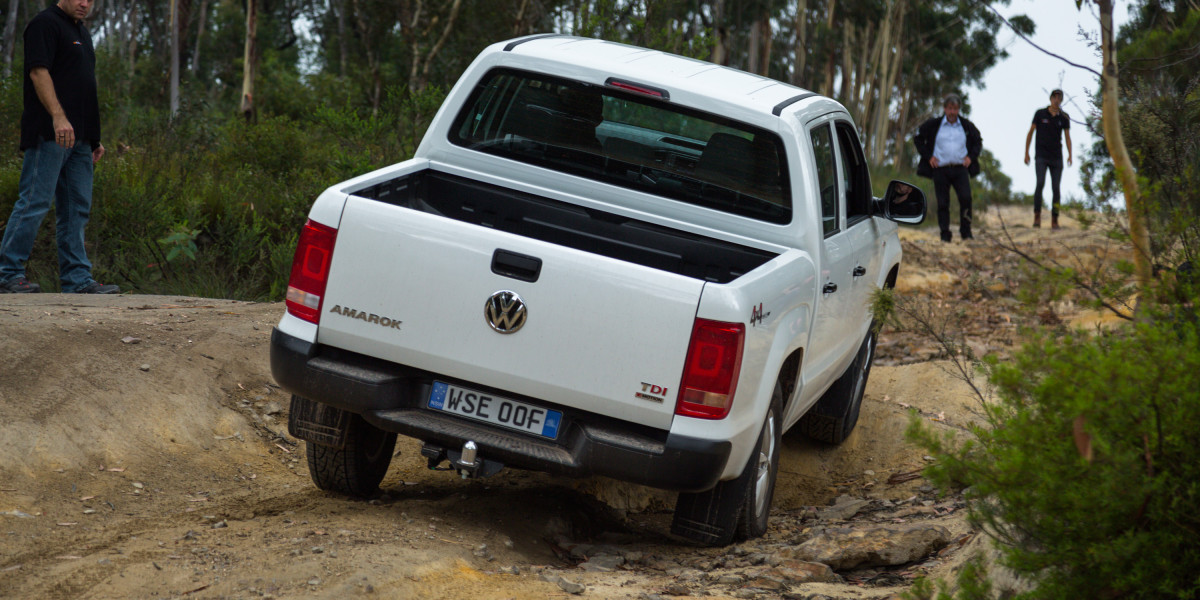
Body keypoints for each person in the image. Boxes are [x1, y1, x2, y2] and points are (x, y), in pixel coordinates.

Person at [0, 0, 119, 294]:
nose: (85, 3)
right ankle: (7, 273)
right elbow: (39, 73)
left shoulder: (83, 32)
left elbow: (82, 84)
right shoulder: (45, 24)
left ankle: (77, 280)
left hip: (80, 138)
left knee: (76, 208)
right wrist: (58, 117)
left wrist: (93, 137)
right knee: (34, 202)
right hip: (50, 131)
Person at [914, 94, 983, 243]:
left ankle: (966, 232)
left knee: (966, 198)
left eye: (955, 109)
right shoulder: (934, 124)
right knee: (943, 203)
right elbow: (918, 138)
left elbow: (978, 141)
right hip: (940, 169)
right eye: (950, 108)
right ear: (945, 108)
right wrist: (928, 157)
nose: (952, 112)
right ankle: (945, 234)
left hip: (960, 169)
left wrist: (971, 157)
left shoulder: (966, 125)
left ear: (959, 109)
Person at [1023, 89, 1073, 229]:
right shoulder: (1040, 114)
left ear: (1062, 100)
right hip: (1041, 156)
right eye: (1055, 97)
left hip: (1057, 158)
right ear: (1050, 99)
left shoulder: (1064, 117)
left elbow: (1068, 137)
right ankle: (1037, 216)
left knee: (1056, 188)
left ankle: (1055, 219)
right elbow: (1030, 133)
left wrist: (1070, 154)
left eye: (1059, 98)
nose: (1057, 100)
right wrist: (1026, 152)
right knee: (1040, 183)